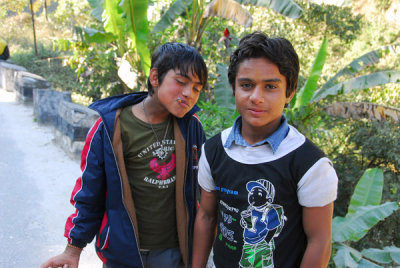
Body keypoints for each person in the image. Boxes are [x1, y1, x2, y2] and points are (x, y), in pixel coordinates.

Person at [40, 42, 208, 268]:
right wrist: (73, 249)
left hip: (174, 252)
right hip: (123, 252)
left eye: (197, 88)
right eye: (180, 82)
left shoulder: (192, 128)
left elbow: (205, 194)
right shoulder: (110, 127)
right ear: (155, 77)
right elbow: (89, 192)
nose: (188, 93)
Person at [192, 31, 338, 268]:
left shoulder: (310, 164)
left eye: (270, 86)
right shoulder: (214, 150)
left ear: (289, 93)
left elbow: (319, 241)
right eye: (247, 85)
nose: (256, 97)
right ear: (234, 88)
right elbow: (207, 216)